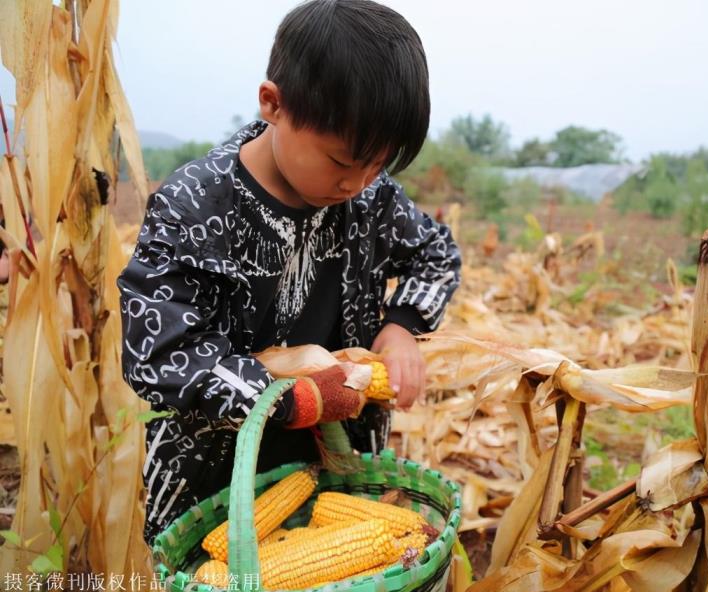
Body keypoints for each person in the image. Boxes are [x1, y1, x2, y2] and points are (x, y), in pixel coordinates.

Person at [117, 0, 461, 545]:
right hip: (212, 477)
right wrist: (289, 399)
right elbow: (159, 356)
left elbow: (436, 254)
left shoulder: (371, 201)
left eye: (378, 165)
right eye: (342, 162)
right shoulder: (195, 206)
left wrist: (402, 326)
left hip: (342, 464)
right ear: (273, 104)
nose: (356, 184)